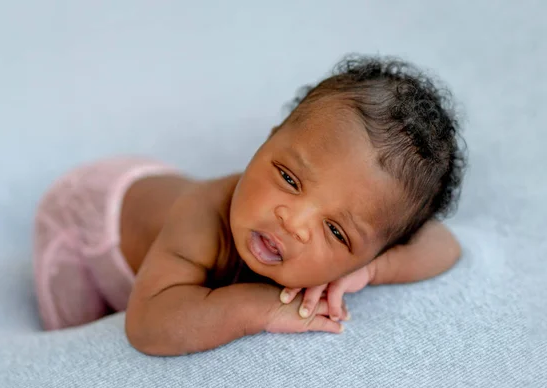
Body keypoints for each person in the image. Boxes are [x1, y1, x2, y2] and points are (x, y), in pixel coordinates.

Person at [33, 54, 466, 356]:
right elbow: (147, 324)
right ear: (270, 137)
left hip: (151, 190)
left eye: (336, 231)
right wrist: (258, 308)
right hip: (90, 221)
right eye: (289, 178)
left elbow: (443, 245)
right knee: (72, 331)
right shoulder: (202, 220)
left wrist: (368, 271)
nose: (292, 221)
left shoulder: (367, 252)